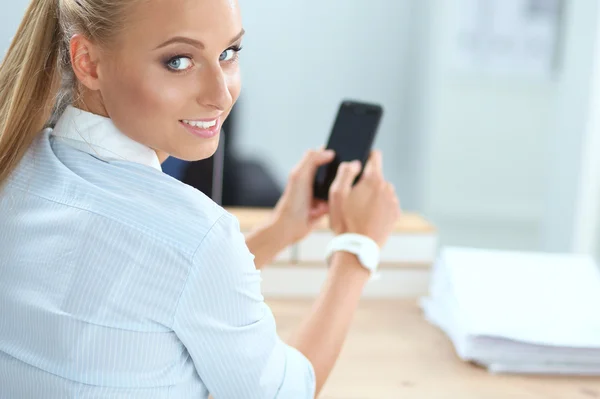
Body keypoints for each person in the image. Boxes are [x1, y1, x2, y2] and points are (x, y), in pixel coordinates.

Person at [0, 0, 401, 397]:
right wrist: (356, 250)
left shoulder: (17, 166)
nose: (221, 95)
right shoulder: (199, 237)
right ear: (87, 62)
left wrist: (280, 230)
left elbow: (160, 279)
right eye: (178, 61)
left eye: (228, 53)